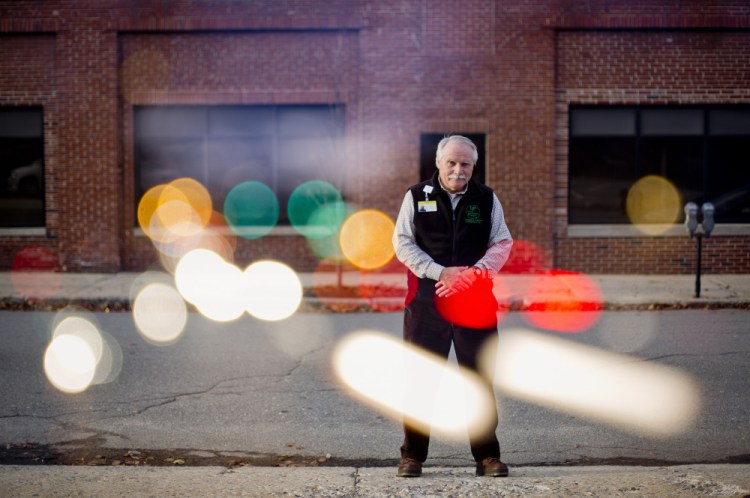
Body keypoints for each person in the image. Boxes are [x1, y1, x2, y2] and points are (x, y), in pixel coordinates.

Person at [392, 135, 513, 478]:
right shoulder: (416, 197)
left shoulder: (486, 199)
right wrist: (441, 272)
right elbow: (402, 243)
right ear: (439, 163)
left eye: (466, 165)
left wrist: (475, 274)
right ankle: (412, 456)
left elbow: (502, 242)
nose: (459, 170)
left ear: (474, 167)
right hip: (426, 305)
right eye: (452, 163)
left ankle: (487, 457)